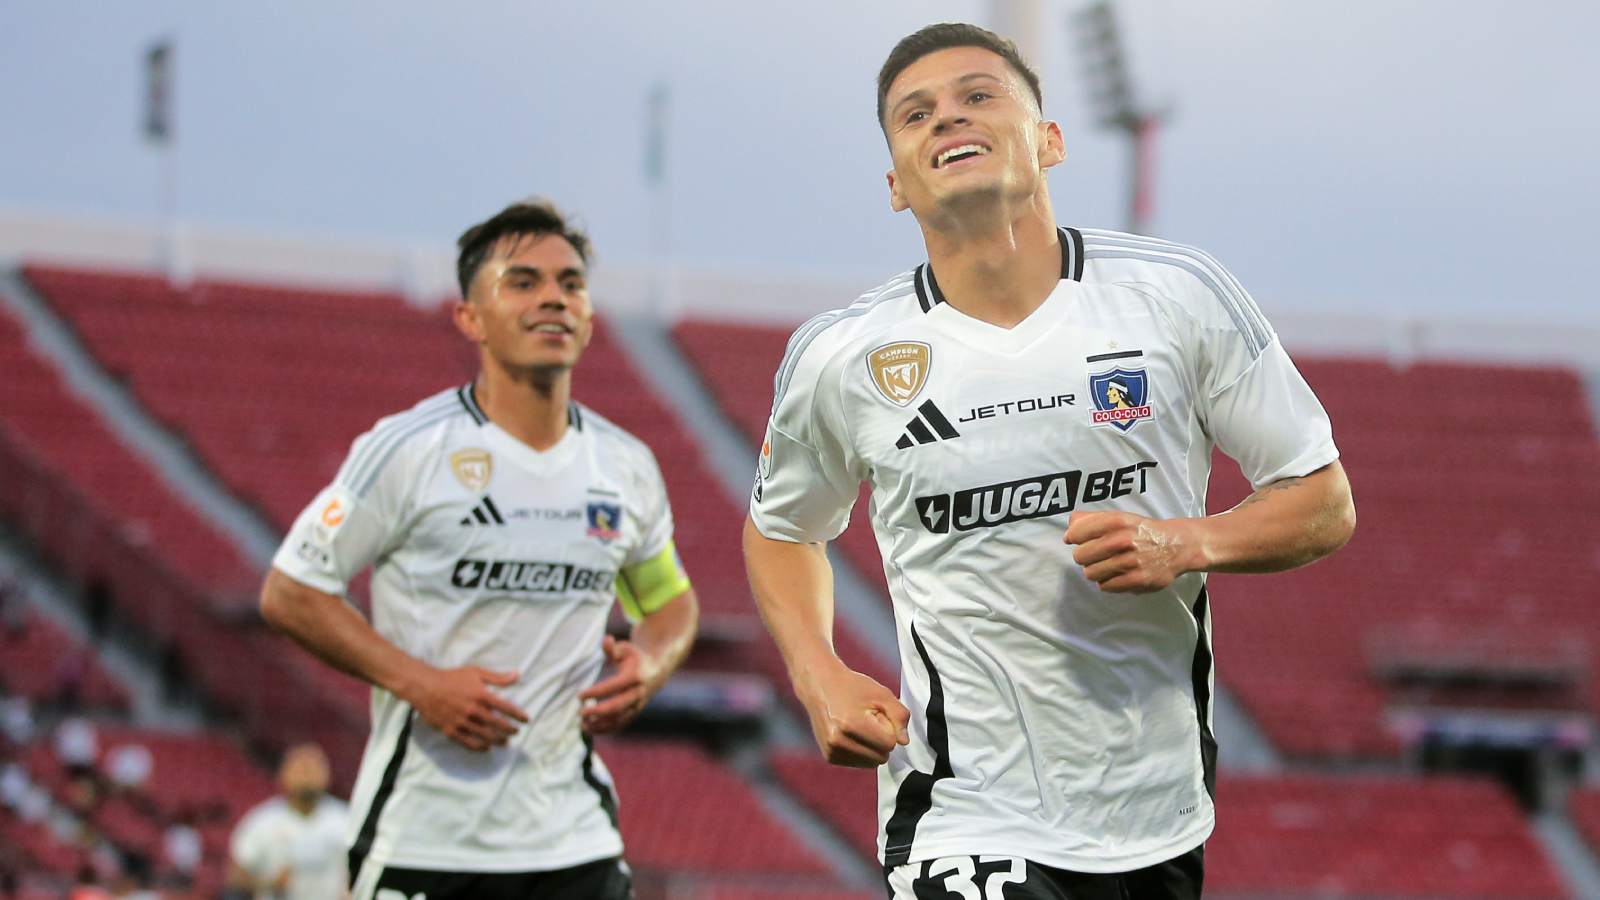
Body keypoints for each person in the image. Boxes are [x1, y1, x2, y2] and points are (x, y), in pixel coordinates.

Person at [744, 23, 1356, 900]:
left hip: (1156, 811)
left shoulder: (1177, 296)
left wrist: (1184, 544)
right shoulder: (843, 356)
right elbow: (781, 530)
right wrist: (818, 671)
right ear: (894, 184)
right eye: (916, 115)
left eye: (979, 95)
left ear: (1050, 140)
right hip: (960, 810)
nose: (948, 118)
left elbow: (1324, 499)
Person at [260, 199, 699, 900]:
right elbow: (291, 591)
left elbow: (668, 602)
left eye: (571, 284)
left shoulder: (625, 465)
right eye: (523, 282)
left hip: (576, 841)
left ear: (587, 316)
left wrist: (650, 660)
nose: (553, 297)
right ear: (470, 318)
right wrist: (420, 683)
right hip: (426, 839)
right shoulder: (407, 450)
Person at [227, 744, 349, 900]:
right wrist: (270, 882)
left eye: (313, 769)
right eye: (301, 769)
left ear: (328, 775)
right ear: (283, 774)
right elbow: (236, 877)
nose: (307, 775)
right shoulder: (261, 822)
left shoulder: (346, 821)